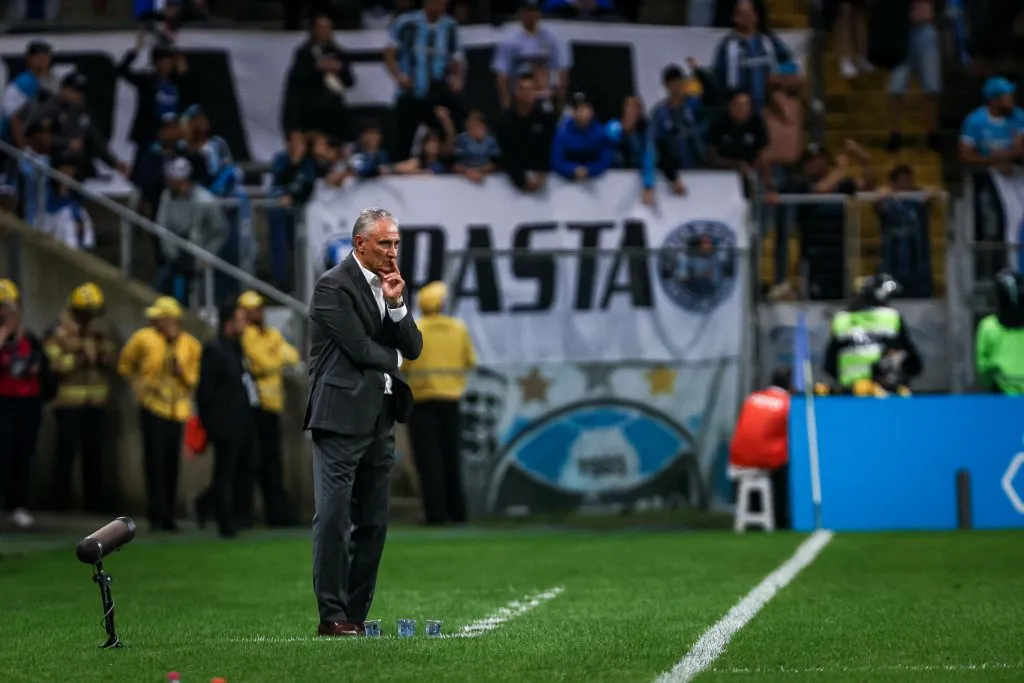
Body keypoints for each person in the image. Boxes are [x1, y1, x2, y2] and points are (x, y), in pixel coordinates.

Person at [305, 207, 423, 636]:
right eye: (384, 243)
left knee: (373, 522)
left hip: (380, 418)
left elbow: (413, 347)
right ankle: (331, 615)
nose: (393, 251)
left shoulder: (390, 287)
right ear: (360, 244)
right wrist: (392, 356)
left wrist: (396, 305)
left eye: (396, 243)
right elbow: (360, 349)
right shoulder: (332, 286)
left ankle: (354, 615)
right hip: (338, 417)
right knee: (334, 518)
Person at [117, 296, 202, 532]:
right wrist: (139, 387)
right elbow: (125, 365)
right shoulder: (143, 338)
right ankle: (156, 514)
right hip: (152, 407)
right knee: (154, 462)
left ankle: (169, 516)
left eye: (160, 317)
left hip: (177, 411)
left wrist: (181, 372)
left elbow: (195, 378)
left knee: (171, 464)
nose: (155, 320)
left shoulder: (190, 344)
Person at [403, 281, 476, 526]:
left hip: (422, 402)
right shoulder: (459, 328)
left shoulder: (415, 328)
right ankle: (458, 512)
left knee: (428, 460)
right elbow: (469, 361)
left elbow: (403, 364)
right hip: (452, 400)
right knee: (452, 458)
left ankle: (437, 513)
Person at [43, 283, 118, 514]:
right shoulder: (58, 332)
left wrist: (101, 355)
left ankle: (94, 503)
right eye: (88, 312)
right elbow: (55, 364)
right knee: (65, 454)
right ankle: (59, 502)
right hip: (69, 403)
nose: (91, 317)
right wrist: (80, 359)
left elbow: (110, 356)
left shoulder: (98, 332)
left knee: (94, 455)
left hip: (95, 402)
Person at [195, 302, 259, 538]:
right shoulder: (214, 350)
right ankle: (225, 522)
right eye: (241, 319)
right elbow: (205, 392)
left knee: (246, 467)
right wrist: (210, 424)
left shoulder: (237, 348)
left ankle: (209, 505)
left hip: (242, 420)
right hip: (224, 422)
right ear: (229, 323)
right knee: (225, 472)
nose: (245, 324)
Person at [237, 290, 300, 527]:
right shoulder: (247, 335)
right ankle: (250, 512)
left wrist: (275, 356)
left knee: (272, 461)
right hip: (256, 407)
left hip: (272, 407)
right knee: (255, 460)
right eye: (252, 309)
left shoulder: (270, 333)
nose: (257, 312)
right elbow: (262, 364)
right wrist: (276, 357)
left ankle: (276, 513)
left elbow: (292, 355)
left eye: (259, 308)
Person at [823, 273, 923, 395]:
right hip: (887, 394)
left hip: (850, 395)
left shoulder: (841, 320)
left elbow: (829, 365)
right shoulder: (891, 318)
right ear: (884, 298)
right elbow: (914, 364)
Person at [0, 282, 49, 529]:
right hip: (3, 401)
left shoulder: (29, 338)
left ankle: (21, 504)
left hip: (27, 401)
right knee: (3, 453)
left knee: (24, 454)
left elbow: (44, 365)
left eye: (10, 308)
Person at [729, 367, 791, 529]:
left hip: (736, 458)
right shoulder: (787, 403)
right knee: (785, 465)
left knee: (766, 457)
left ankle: (752, 513)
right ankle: (781, 520)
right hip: (764, 460)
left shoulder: (752, 398)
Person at [976, 270, 1024, 394]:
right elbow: (984, 369)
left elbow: (983, 370)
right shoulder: (988, 327)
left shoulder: (987, 326)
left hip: (1001, 395)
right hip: (1000, 393)